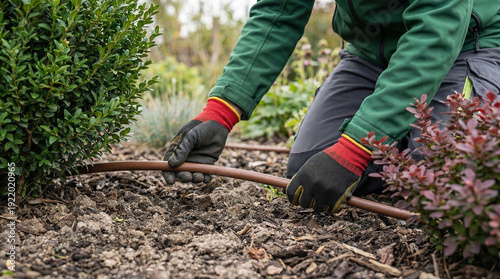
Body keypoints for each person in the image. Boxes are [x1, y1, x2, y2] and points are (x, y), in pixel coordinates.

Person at [162, 0, 500, 214]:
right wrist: (221, 113)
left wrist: (356, 148)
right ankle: (398, 129)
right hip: (370, 54)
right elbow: (279, 11)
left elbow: (437, 28)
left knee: (440, 178)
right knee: (309, 167)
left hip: (466, 45)